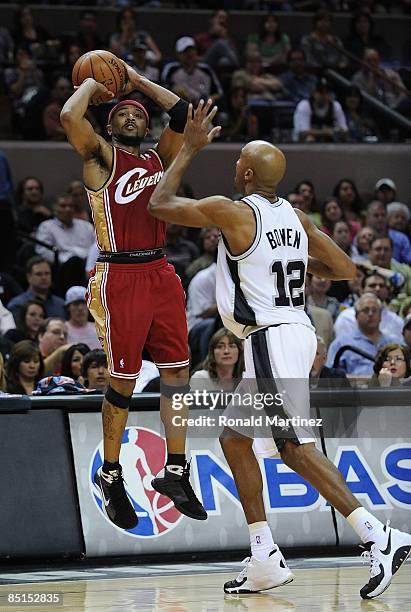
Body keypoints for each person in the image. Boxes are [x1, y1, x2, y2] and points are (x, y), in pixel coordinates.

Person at [148, 101, 411, 599]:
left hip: (271, 335)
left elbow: (159, 206)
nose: (233, 167)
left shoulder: (233, 209)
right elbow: (344, 270)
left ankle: (379, 536)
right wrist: (289, 258)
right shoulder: (294, 216)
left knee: (293, 448)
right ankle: (264, 554)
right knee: (234, 438)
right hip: (288, 330)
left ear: (245, 172)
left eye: (236, 162)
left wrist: (187, 149)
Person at [60, 58, 207, 530]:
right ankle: (110, 472)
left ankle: (177, 469)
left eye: (139, 114)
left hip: (161, 271)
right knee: (122, 380)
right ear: (108, 123)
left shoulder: (157, 158)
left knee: (178, 374)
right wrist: (92, 83)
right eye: (123, 113)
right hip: (118, 273)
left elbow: (183, 115)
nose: (133, 116)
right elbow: (68, 117)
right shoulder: (100, 157)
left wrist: (137, 82)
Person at [327, 293, 401, 376]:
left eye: (374, 310)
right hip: (355, 388)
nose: (370, 314)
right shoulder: (341, 343)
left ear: (380, 316)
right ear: (356, 316)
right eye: (366, 310)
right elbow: (331, 376)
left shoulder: (396, 343)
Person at [335, 272, 403, 339]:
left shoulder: (396, 320)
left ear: (387, 292)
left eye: (381, 286)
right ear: (361, 290)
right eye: (372, 285)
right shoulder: (347, 317)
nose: (377, 289)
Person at [7, 256, 65, 321]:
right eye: (39, 274)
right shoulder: (17, 305)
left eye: (47, 273)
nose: (44, 277)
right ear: (29, 277)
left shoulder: (61, 304)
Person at [293, 78, 348, 143]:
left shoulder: (335, 106)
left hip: (329, 143)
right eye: (321, 92)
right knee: (309, 138)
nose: (324, 96)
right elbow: (303, 132)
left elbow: (345, 130)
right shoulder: (305, 105)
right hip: (303, 143)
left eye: (327, 92)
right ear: (314, 92)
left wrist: (336, 131)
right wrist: (326, 132)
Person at [190, 327, 244, 391]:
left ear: (239, 351)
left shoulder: (246, 379)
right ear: (212, 352)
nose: (226, 351)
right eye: (220, 346)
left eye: (232, 346)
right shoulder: (200, 378)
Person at [365, 200, 411, 265]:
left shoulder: (401, 238)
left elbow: (409, 261)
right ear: (367, 218)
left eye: (383, 215)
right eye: (376, 215)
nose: (380, 218)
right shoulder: (361, 236)